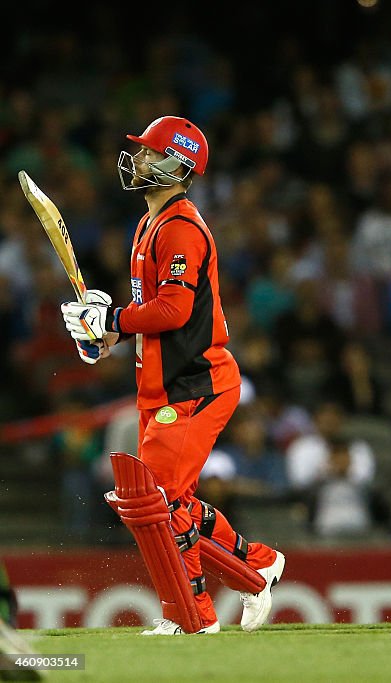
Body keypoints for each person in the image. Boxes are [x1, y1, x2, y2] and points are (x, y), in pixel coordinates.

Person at [60, 116, 285, 636]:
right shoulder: (150, 224)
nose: (136, 159)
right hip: (164, 386)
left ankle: (193, 617)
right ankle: (257, 566)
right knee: (166, 502)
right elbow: (152, 320)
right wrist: (105, 338)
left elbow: (174, 312)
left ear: (174, 163)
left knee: (154, 502)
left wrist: (113, 318)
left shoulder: (180, 227)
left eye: (146, 152)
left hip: (196, 386)